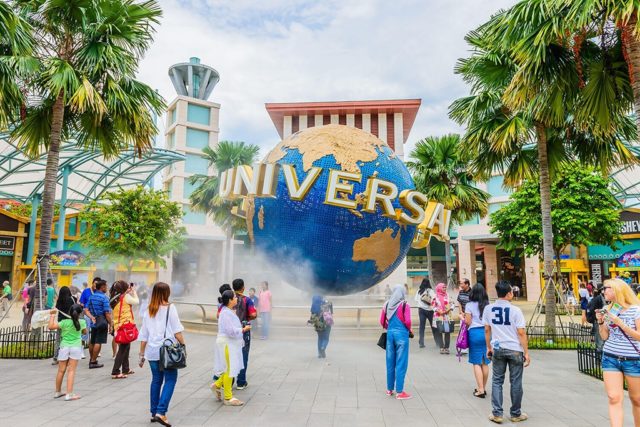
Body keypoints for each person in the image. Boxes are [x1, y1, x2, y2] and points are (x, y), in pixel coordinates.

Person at [138, 282, 185, 427]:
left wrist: (141, 354)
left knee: (156, 380)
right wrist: (183, 346)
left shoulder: (149, 309)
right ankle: (161, 412)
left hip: (152, 351)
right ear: (166, 293)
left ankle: (154, 412)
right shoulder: (170, 308)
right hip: (167, 351)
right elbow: (177, 331)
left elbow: (144, 334)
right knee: (170, 379)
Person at [595, 278, 640, 427]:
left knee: (637, 399)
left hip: (633, 360)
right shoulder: (608, 308)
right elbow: (604, 336)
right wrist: (601, 322)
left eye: (606, 288)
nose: (603, 291)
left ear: (617, 290)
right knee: (613, 398)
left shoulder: (636, 310)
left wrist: (620, 322)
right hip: (610, 358)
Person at [484, 280, 530, 424]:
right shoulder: (516, 310)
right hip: (515, 349)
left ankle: (497, 414)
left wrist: (488, 347)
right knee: (516, 382)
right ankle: (515, 414)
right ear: (509, 293)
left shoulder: (488, 309)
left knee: (497, 381)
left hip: (498, 348)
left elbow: (487, 330)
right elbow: (521, 332)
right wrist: (526, 352)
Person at [212, 289, 250, 406]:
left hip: (228, 343)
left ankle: (217, 385)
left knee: (229, 368)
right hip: (227, 344)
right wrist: (243, 329)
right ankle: (228, 397)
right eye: (234, 297)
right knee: (229, 369)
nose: (236, 298)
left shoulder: (227, 311)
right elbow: (230, 331)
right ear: (229, 300)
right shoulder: (226, 313)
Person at [380, 284, 413, 400]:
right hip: (402, 336)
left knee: (390, 362)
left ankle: (389, 389)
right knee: (401, 363)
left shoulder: (387, 304)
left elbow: (382, 321)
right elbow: (408, 321)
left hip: (390, 335)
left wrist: (390, 328)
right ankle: (399, 392)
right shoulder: (405, 305)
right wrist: (409, 330)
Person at [48, 303, 86, 401]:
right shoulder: (82, 322)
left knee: (61, 370)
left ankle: (57, 391)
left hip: (64, 346)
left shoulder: (64, 322)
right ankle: (69, 394)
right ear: (79, 313)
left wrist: (52, 315)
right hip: (76, 347)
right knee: (71, 370)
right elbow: (84, 332)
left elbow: (50, 326)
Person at [465, 283, 491, 398]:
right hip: (486, 333)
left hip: (474, 334)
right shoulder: (487, 305)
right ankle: (483, 388)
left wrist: (463, 318)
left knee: (476, 362)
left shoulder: (469, 305)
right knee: (485, 362)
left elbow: (468, 322)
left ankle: (480, 390)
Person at [110, 280, 139, 379]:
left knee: (126, 347)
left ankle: (126, 369)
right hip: (125, 326)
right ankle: (115, 371)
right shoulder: (125, 297)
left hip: (119, 325)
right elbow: (136, 301)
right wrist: (134, 292)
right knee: (123, 349)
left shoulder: (115, 298)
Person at [232, 278, 257, 390]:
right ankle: (241, 382)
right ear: (243, 288)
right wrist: (247, 317)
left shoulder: (229, 299)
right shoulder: (247, 300)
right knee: (243, 355)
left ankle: (229, 381)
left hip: (231, 331)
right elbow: (253, 314)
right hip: (243, 329)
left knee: (231, 355)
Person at [84, 279, 112, 369]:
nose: (107, 288)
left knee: (92, 341)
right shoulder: (104, 298)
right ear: (102, 287)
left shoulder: (91, 297)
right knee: (98, 342)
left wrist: (91, 317)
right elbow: (107, 313)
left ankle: (92, 359)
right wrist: (111, 324)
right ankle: (93, 361)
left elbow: (86, 310)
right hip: (102, 322)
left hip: (94, 323)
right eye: (106, 286)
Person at [52, 286, 78, 364]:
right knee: (68, 339)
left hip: (61, 322)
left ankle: (56, 357)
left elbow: (57, 308)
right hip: (70, 322)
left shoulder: (59, 300)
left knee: (58, 340)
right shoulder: (73, 299)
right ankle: (68, 357)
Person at [432, 283, 453, 354]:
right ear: (439, 288)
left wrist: (448, 309)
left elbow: (452, 304)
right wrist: (439, 311)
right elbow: (433, 306)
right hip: (438, 316)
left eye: (445, 287)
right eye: (443, 287)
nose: (444, 288)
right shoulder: (435, 296)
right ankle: (441, 347)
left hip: (447, 316)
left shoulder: (448, 295)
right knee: (439, 332)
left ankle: (446, 348)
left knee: (447, 332)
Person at [414, 278, 435, 348]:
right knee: (433, 326)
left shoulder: (419, 291)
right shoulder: (431, 291)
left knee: (422, 327)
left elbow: (416, 300)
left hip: (421, 310)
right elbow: (434, 300)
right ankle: (438, 342)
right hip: (430, 311)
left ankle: (421, 343)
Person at [586, 285, 606, 353]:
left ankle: (600, 350)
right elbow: (592, 309)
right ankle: (599, 352)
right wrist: (599, 315)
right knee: (599, 337)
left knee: (601, 336)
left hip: (604, 320)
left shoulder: (604, 298)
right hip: (598, 320)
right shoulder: (598, 299)